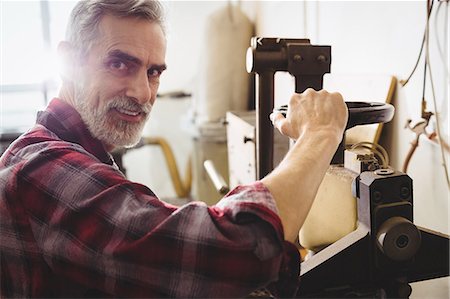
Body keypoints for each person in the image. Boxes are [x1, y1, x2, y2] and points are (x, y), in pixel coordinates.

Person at [0, 0, 348, 298]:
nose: (141, 93)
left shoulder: (69, 155)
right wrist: (320, 134)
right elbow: (241, 249)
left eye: (153, 72)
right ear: (68, 61)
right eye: (119, 63)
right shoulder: (41, 169)